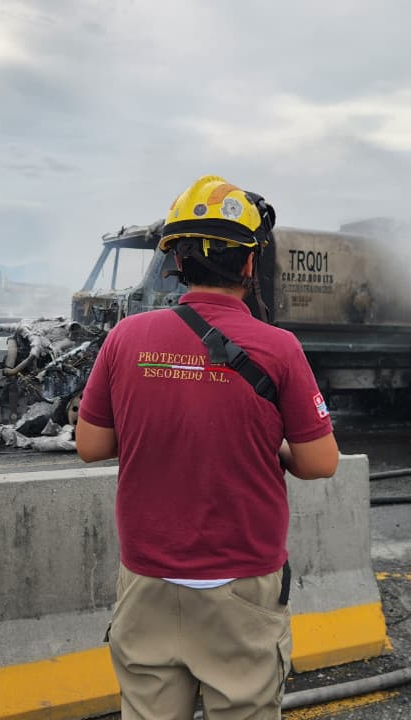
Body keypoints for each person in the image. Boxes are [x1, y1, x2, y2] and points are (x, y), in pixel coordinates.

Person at [75, 175, 340, 720]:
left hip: (147, 577)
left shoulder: (126, 337)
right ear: (249, 264)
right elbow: (320, 462)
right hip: (240, 581)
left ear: (175, 262)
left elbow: (91, 444)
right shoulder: (280, 347)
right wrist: (274, 447)